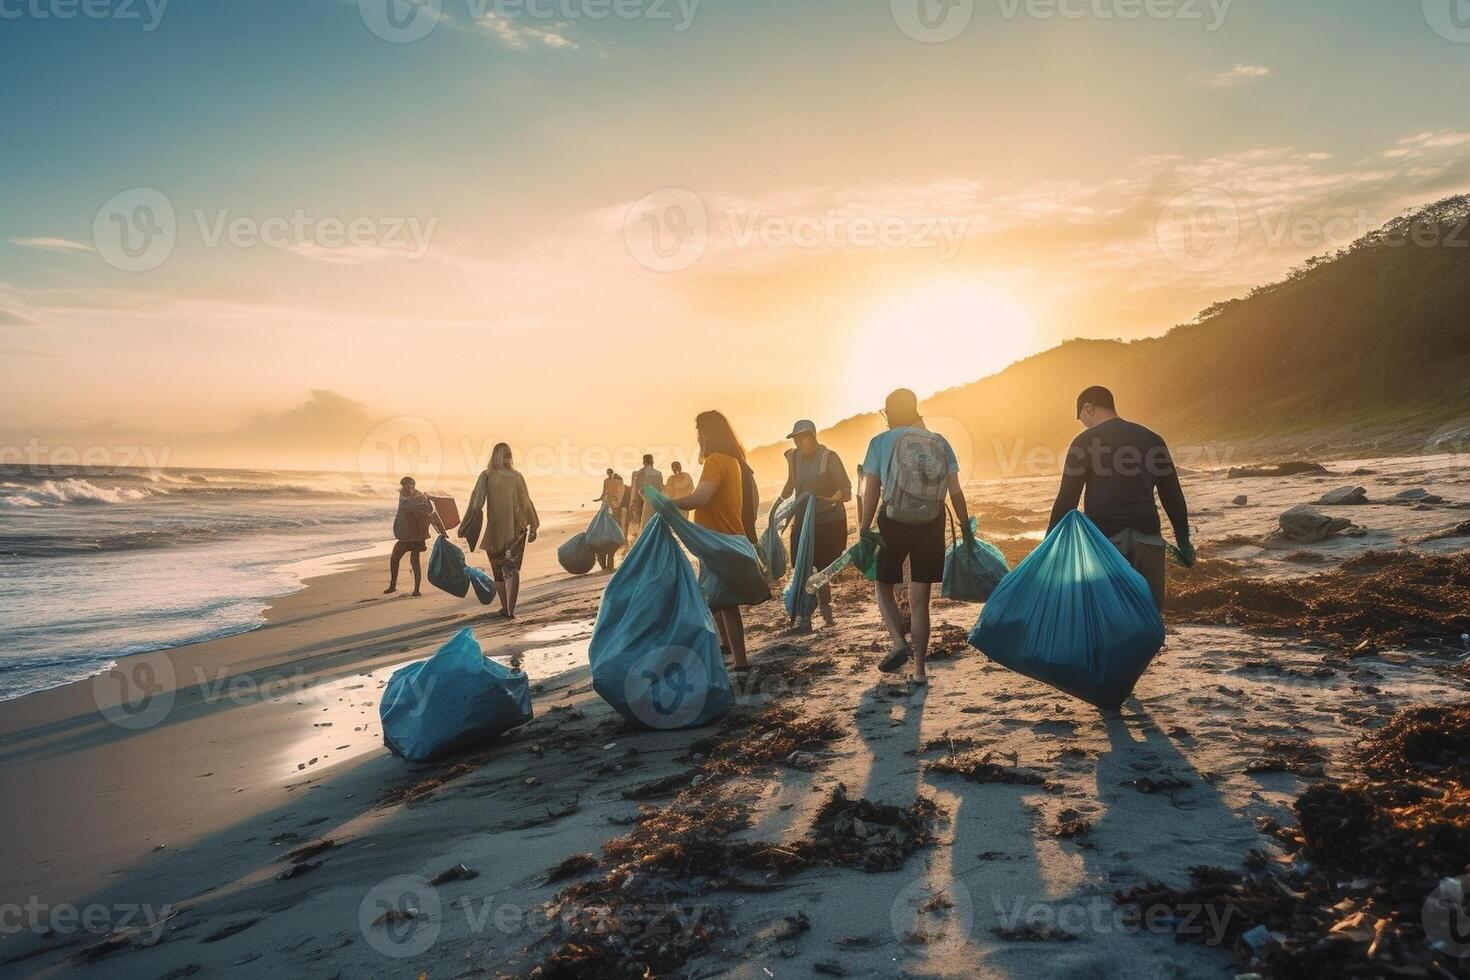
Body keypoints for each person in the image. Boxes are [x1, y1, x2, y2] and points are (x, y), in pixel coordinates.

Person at [859, 389, 970, 686]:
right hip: (931, 522)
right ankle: (920, 671)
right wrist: (965, 527)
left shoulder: (880, 442)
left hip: (893, 522)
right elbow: (955, 490)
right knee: (920, 601)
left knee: (882, 585)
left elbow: (871, 490)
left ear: (889, 412)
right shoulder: (939, 441)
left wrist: (863, 527)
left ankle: (898, 642)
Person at [1047, 385, 1193, 611]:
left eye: (1082, 418)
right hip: (1148, 538)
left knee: (1110, 615)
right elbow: (1171, 493)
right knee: (1150, 614)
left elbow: (1067, 499)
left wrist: (1050, 545)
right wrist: (1183, 539)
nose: (1084, 424)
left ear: (1089, 408)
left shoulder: (1084, 442)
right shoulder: (1152, 439)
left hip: (1106, 541)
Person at [667, 410, 754, 672]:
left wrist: (668, 504)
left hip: (718, 540)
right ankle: (728, 648)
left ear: (708, 433)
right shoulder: (733, 461)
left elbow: (701, 497)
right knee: (719, 598)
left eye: (699, 432)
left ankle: (740, 661)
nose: (698, 438)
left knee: (725, 602)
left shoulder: (716, 460)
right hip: (724, 537)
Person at [772, 419, 851, 631]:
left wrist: (828, 497)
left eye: (803, 437)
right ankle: (805, 617)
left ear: (813, 436)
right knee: (801, 567)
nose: (799, 442)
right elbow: (791, 484)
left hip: (829, 521)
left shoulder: (829, 457)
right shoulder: (793, 457)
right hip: (802, 520)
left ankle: (826, 615)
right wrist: (778, 507)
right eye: (796, 438)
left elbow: (845, 491)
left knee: (822, 569)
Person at [467, 443, 540, 618]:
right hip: (516, 529)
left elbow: (476, 503)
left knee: (500, 570)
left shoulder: (487, 476)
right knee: (511, 569)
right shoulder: (516, 476)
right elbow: (526, 502)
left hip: (497, 531)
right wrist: (534, 525)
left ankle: (506, 608)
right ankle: (509, 610)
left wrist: (466, 525)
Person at [386, 477, 445, 596]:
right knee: (394, 558)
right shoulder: (402, 496)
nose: (406, 487)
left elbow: (430, 514)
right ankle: (392, 586)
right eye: (404, 485)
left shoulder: (421, 498)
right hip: (404, 534)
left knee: (415, 561)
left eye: (409, 485)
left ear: (414, 484)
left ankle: (417, 590)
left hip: (417, 535)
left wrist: (441, 531)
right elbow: (401, 512)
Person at [595, 468, 625, 571]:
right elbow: (604, 491)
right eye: (608, 473)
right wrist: (601, 498)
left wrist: (614, 499)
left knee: (613, 517)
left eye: (610, 473)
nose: (609, 475)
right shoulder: (606, 481)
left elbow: (619, 492)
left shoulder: (617, 482)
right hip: (607, 501)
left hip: (614, 502)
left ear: (613, 473)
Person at [627, 454, 664, 538]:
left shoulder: (637, 473)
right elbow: (660, 489)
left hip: (640, 500)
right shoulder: (658, 473)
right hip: (653, 500)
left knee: (642, 523)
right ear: (652, 462)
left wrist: (632, 502)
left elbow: (635, 489)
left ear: (644, 462)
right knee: (653, 522)